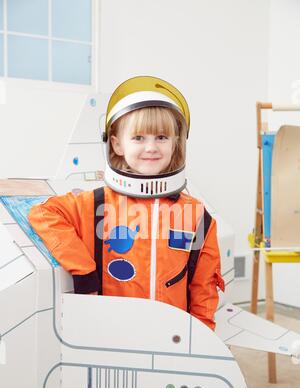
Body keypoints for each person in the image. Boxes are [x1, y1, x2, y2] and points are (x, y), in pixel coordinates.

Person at [28, 76, 224, 331]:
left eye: (162, 137)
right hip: (112, 335)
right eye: (139, 138)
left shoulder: (195, 215)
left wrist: (202, 339)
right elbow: (43, 214)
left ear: (177, 142)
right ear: (117, 144)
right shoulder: (97, 205)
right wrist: (85, 273)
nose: (151, 147)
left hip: (171, 338)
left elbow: (203, 289)